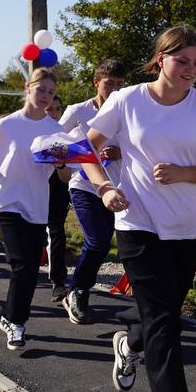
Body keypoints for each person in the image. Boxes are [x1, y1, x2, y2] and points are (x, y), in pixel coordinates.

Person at [83, 24, 196, 392]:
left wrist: (184, 173)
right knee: (165, 318)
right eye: (182, 61)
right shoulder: (128, 100)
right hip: (137, 223)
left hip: (187, 225)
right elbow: (85, 147)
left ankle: (128, 342)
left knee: (163, 311)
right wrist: (106, 188)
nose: (191, 70)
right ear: (160, 59)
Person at [0, 68, 68, 350]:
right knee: (21, 263)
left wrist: (61, 165)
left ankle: (9, 315)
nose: (45, 97)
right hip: (7, 200)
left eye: (51, 92)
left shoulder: (55, 131)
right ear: (26, 88)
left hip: (36, 204)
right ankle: (17, 323)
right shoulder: (6, 125)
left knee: (30, 266)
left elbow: (66, 176)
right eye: (40, 90)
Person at [57, 59, 127, 323]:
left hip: (116, 186)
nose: (115, 89)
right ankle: (78, 290)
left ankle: (79, 287)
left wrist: (121, 151)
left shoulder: (125, 110)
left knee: (103, 243)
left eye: (120, 84)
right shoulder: (78, 111)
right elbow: (57, 144)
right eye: (110, 83)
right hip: (84, 184)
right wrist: (86, 152)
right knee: (97, 240)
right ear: (96, 82)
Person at [44, 94, 71, 307]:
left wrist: (60, 166)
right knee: (33, 235)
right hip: (30, 190)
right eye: (49, 109)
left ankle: (58, 282)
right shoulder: (31, 132)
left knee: (56, 232)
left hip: (57, 189)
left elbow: (67, 175)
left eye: (57, 109)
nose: (53, 113)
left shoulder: (64, 136)